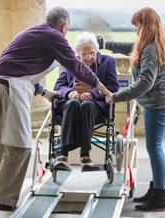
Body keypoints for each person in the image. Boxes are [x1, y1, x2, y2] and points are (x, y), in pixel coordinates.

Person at [0, 7, 111, 211]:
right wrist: (102, 88)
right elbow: (76, 66)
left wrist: (45, 92)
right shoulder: (54, 36)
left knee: (1, 145)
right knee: (20, 147)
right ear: (63, 26)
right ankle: (1, 202)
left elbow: (23, 66)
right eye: (68, 28)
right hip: (10, 87)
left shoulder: (34, 32)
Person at [101, 7, 165, 211]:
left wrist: (116, 97)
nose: (135, 29)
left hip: (158, 104)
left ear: (147, 26)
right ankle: (155, 190)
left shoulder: (151, 48)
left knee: (154, 149)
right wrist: (105, 44)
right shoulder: (152, 43)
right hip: (159, 101)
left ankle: (159, 197)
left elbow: (145, 82)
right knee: (154, 148)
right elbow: (130, 48)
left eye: (138, 25)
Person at [53, 32, 119, 171]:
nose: (88, 57)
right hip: (72, 104)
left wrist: (93, 93)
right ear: (77, 54)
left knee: (87, 105)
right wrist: (70, 93)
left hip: (95, 105)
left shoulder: (108, 62)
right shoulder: (71, 64)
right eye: (84, 54)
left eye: (92, 53)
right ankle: (62, 156)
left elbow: (113, 86)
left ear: (97, 50)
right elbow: (59, 86)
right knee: (72, 103)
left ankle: (85, 156)